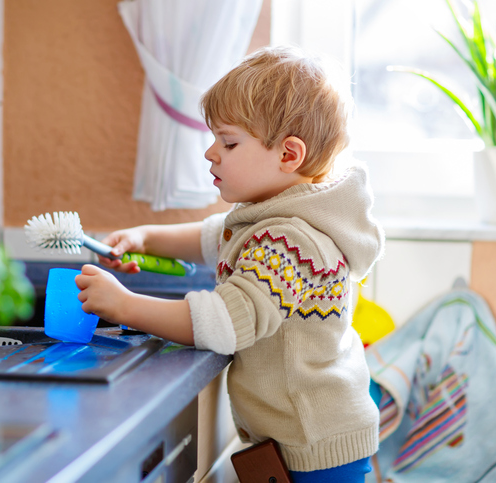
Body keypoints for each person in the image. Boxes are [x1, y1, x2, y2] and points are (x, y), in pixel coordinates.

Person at [75, 46, 384, 482]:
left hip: (313, 446)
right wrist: (147, 237)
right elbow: (215, 236)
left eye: (229, 141)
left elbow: (224, 323)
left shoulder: (289, 241)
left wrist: (124, 305)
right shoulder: (279, 215)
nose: (211, 153)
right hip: (308, 437)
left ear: (288, 155)